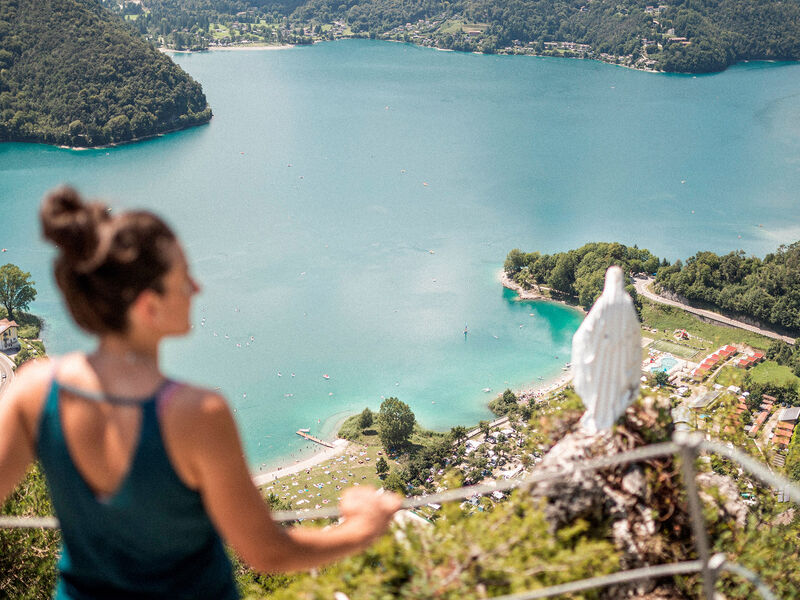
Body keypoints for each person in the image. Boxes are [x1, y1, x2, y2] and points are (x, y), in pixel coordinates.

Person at [0, 187, 401, 599]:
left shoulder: (35, 390)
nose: (196, 288)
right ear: (147, 306)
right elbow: (269, 552)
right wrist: (363, 527)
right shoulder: (196, 414)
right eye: (182, 278)